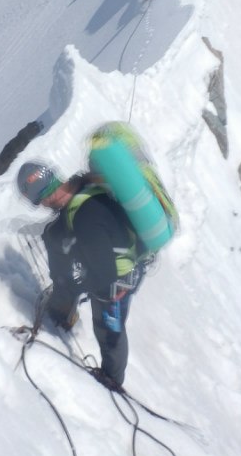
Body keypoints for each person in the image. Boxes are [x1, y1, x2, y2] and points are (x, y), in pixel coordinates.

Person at [17, 161, 146, 391]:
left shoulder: (84, 218)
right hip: (118, 256)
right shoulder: (83, 187)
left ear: (45, 198)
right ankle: (62, 307)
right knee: (54, 235)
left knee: (108, 330)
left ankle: (112, 380)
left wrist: (75, 287)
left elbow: (105, 275)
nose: (43, 207)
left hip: (118, 279)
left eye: (39, 202)